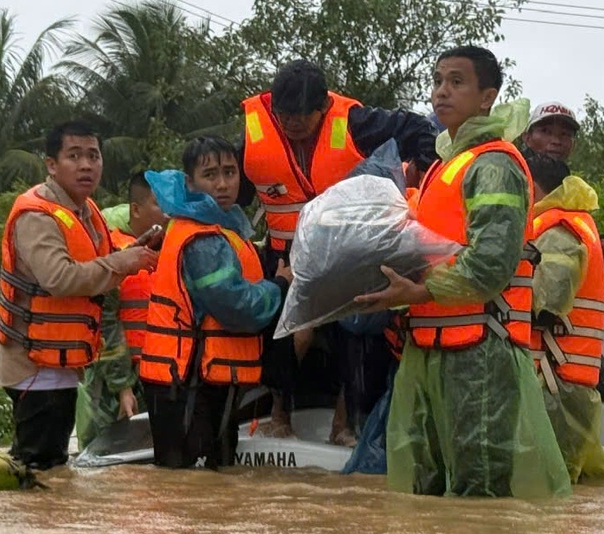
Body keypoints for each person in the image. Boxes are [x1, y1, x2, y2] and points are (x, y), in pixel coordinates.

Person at [356, 46, 572, 498]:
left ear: (487, 97)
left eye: (456, 82)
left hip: (480, 350)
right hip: (432, 346)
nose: (441, 92)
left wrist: (417, 291)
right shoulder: (441, 166)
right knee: (429, 486)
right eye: (437, 81)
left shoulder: (493, 165)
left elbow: (491, 264)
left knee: (480, 486)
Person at [239, 58, 438, 442]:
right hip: (288, 256)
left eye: (301, 116)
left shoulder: (357, 122)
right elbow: (238, 187)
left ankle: (342, 426)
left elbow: (417, 129)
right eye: (284, 115)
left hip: (348, 253)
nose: (292, 124)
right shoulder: (256, 129)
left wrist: (424, 172)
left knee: (358, 329)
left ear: (323, 108)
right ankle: (278, 416)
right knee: (293, 332)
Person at [0, 121, 159, 470]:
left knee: (48, 468)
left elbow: (100, 265)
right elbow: (59, 278)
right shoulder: (37, 216)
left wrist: (134, 255)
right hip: (35, 365)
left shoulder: (86, 211)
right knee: (40, 468)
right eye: (74, 156)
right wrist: (121, 262)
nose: (86, 165)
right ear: (51, 165)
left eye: (93, 155)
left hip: (61, 364)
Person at [138, 136, 291, 469]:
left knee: (207, 491)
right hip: (189, 384)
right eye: (211, 175)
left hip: (200, 382)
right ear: (190, 182)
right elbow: (237, 307)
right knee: (192, 491)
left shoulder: (218, 228)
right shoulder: (203, 239)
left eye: (230, 172)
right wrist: (280, 284)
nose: (223, 184)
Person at [524, 151, 604, 483]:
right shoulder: (571, 224)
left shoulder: (558, 231)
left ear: (531, 187)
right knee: (573, 494)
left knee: (547, 493)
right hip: (565, 383)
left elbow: (546, 302)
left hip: (554, 383)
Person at [74, 173, 168, 450]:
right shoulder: (112, 252)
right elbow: (105, 322)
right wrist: (122, 386)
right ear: (136, 210)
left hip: (156, 374)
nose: (168, 212)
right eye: (159, 204)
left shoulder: (173, 249)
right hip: (110, 379)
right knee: (101, 457)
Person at [520, 101, 604, 271]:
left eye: (564, 134)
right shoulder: (514, 178)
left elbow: (571, 239)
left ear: (573, 144)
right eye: (546, 132)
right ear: (527, 137)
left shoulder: (571, 188)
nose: (555, 141)